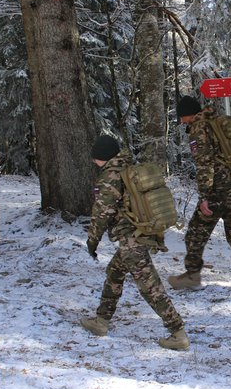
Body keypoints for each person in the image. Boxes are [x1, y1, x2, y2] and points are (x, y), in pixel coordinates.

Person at [80, 135, 189, 350]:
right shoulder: (128, 168)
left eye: (95, 159)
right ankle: (101, 321)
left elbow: (102, 213)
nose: (94, 162)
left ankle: (178, 333)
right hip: (140, 234)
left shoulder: (110, 176)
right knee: (114, 272)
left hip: (132, 240)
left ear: (101, 157)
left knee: (151, 287)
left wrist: (92, 241)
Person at [169, 96, 231, 292]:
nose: (181, 121)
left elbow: (205, 164)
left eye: (181, 117)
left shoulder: (199, 128)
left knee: (195, 232)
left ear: (186, 115)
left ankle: (192, 275)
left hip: (217, 190)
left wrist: (204, 197)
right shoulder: (215, 122)